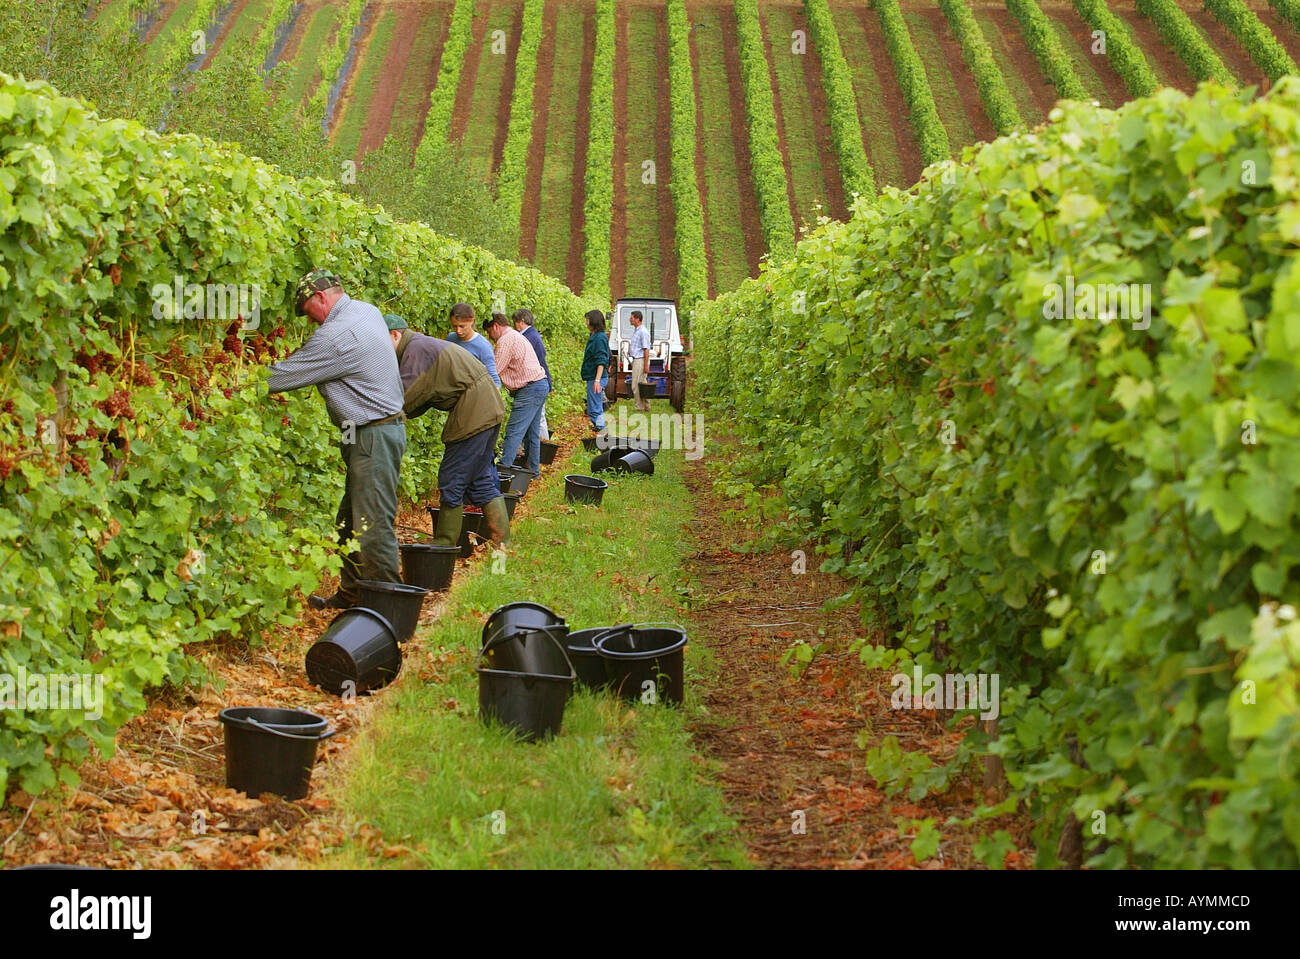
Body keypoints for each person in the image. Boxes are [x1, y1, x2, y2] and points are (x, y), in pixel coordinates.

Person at [268, 269, 406, 610]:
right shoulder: (366, 310)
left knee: (371, 528)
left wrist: (237, 377)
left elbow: (281, 377)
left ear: (320, 297)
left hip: (371, 436)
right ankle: (352, 598)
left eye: (307, 311)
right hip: (373, 433)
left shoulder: (337, 335)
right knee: (348, 524)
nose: (309, 321)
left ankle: (388, 614)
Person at [382, 315, 511, 546]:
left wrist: (376, 419)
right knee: (479, 479)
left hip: (475, 410)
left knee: (452, 479)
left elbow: (404, 396)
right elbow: (422, 396)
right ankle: (502, 544)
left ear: (395, 335)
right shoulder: (419, 346)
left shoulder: (415, 349)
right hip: (487, 406)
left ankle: (443, 546)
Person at [483, 313, 549, 474]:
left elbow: (494, 370)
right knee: (531, 434)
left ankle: (502, 474)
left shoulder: (505, 340)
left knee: (514, 432)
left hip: (530, 390)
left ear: (496, 326)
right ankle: (533, 472)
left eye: (489, 332)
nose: (490, 337)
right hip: (539, 384)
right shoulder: (514, 335)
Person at [511, 308, 551, 442]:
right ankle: (540, 447)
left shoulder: (529, 337)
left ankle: (543, 446)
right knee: (537, 418)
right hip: (539, 382)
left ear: (521, 322)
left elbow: (538, 361)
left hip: (535, 382)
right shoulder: (532, 335)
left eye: (515, 322)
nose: (514, 326)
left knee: (538, 419)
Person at [445, 302, 501, 387]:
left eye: (462, 326)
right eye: (454, 326)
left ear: (472, 321)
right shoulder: (450, 338)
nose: (458, 331)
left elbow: (494, 380)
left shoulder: (483, 346)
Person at [581, 309, 610, 433]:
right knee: (595, 406)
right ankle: (601, 431)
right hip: (593, 377)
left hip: (596, 377)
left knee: (594, 409)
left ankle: (602, 432)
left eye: (588, 320)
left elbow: (601, 360)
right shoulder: (595, 336)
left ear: (594, 321)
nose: (586, 323)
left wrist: (597, 380)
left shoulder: (599, 338)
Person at [628, 309, 653, 412]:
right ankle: (646, 407)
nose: (630, 319)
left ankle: (640, 408)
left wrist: (645, 365)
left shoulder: (643, 332)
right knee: (643, 384)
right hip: (637, 360)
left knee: (635, 385)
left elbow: (646, 349)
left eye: (632, 317)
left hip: (640, 360)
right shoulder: (637, 330)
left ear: (637, 319)